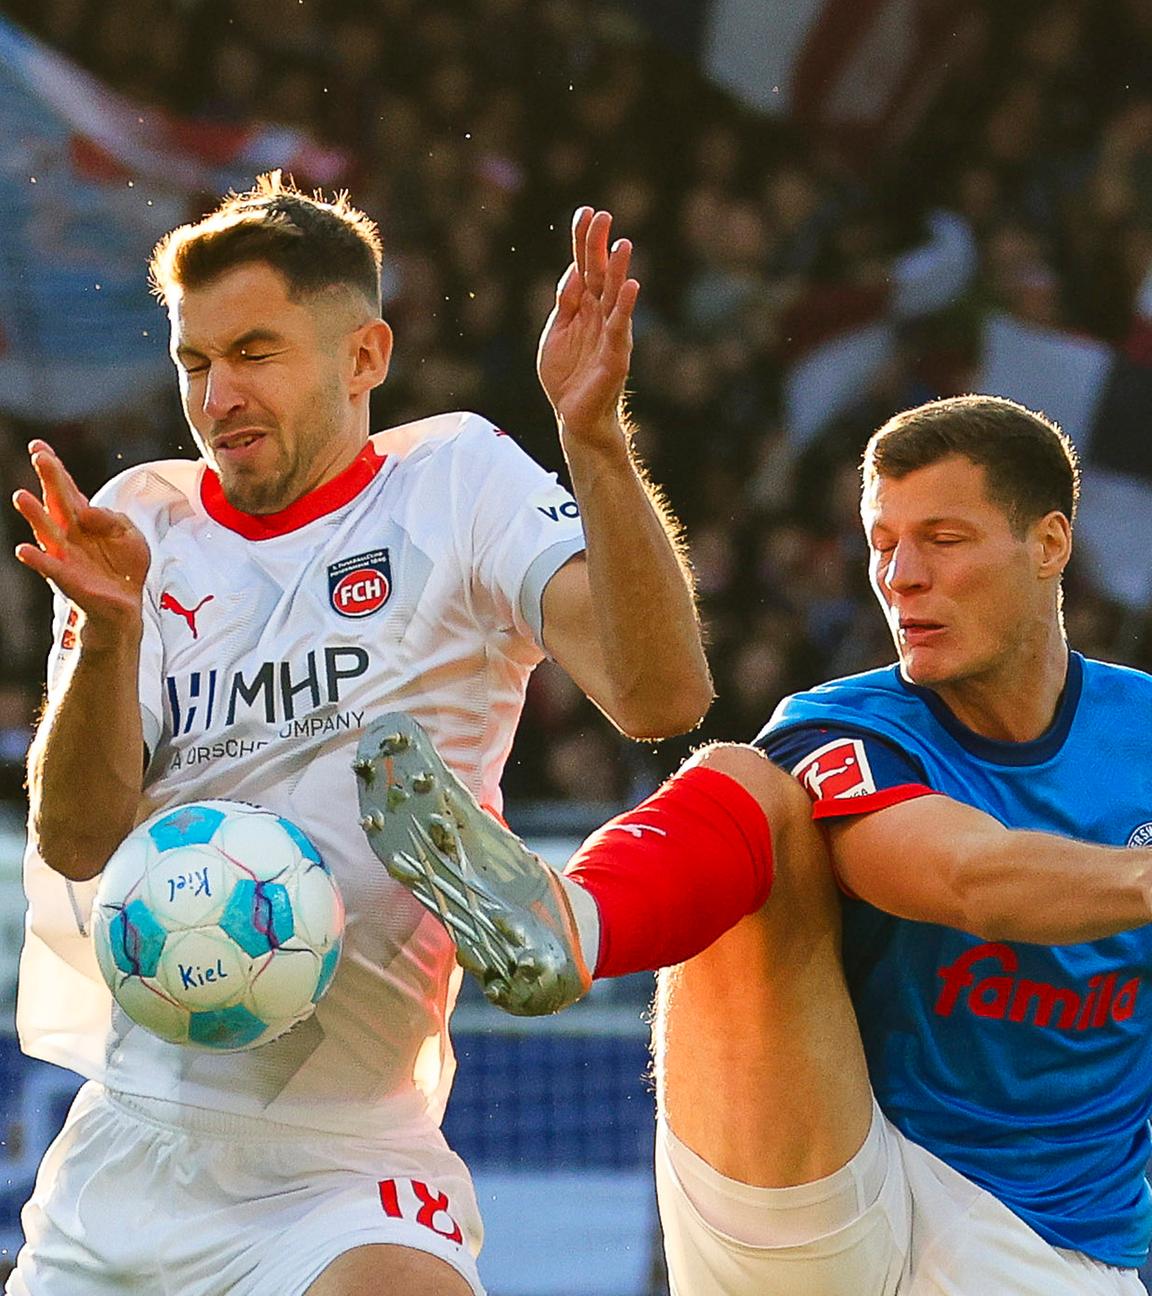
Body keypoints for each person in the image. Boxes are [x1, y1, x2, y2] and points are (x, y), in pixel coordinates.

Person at [8, 172, 712, 1296]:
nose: (217, 393)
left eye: (254, 352)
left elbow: (660, 697)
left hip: (350, 1152)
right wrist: (111, 632)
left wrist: (596, 443)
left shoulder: (459, 482)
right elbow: (80, 841)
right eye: (194, 362)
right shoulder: (139, 522)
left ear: (365, 357)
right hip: (140, 1137)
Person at [374, 394, 1152, 1293]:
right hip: (829, 1196)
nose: (901, 576)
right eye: (882, 543)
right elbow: (967, 878)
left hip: (1057, 1253)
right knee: (749, 788)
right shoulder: (841, 728)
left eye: (943, 539)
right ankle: (570, 919)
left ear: (1050, 544)